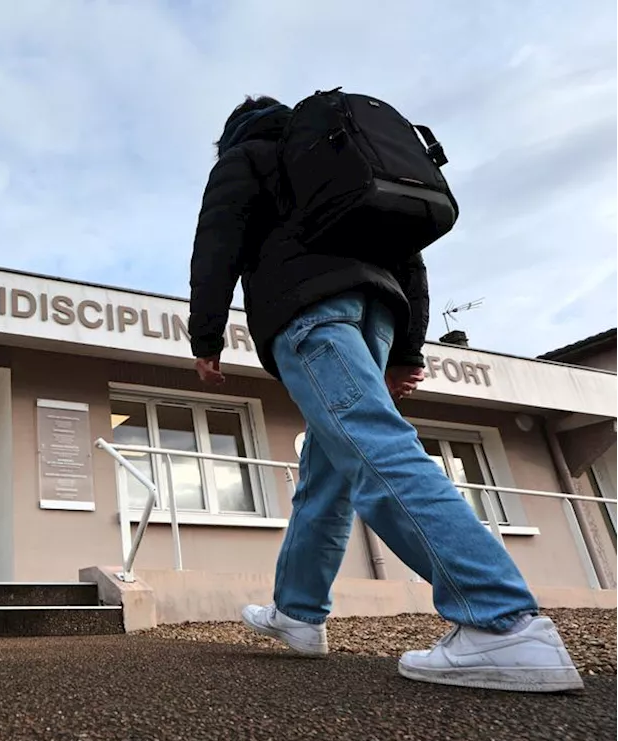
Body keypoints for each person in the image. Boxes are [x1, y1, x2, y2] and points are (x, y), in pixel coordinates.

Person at [186, 95, 584, 693]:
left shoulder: (247, 157)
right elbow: (410, 260)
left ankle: (502, 622)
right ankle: (298, 613)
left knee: (372, 447)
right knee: (329, 468)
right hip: (377, 313)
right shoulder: (334, 155)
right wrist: (406, 351)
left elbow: (217, 242)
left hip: (310, 314)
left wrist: (206, 334)